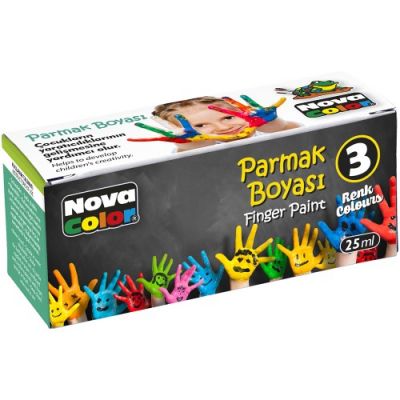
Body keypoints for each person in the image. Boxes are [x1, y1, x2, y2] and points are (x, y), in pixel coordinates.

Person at [152, 96, 300, 152]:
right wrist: (191, 142)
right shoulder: (205, 146)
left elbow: (293, 130)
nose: (223, 127)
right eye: (201, 125)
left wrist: (272, 123)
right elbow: (189, 152)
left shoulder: (259, 131)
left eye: (228, 117)